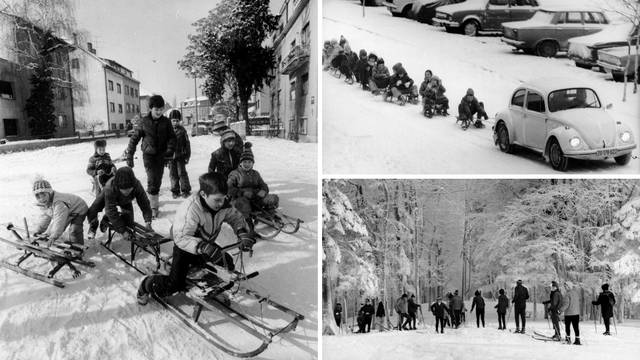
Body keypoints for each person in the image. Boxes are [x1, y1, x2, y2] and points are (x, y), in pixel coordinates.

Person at [136, 172, 255, 305]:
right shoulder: (191, 208)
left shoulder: (223, 204)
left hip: (205, 244)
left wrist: (243, 233)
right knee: (175, 284)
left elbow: (236, 218)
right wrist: (203, 247)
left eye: (223, 198)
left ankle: (210, 286)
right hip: (185, 245)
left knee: (227, 263)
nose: (221, 203)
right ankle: (146, 285)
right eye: (217, 200)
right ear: (204, 194)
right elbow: (181, 237)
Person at [126, 95, 176, 218]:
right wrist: (130, 156)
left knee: (157, 179)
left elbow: (172, 138)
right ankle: (153, 207)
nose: (159, 112)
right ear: (150, 109)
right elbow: (134, 139)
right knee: (152, 179)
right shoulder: (144, 121)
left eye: (161, 109)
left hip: (161, 155)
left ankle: (153, 197)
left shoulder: (166, 122)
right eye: (156, 109)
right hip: (148, 155)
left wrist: (169, 150)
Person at [87, 167, 152, 240]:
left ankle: (107, 218)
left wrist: (148, 221)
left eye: (129, 190)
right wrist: (123, 231)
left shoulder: (137, 185)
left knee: (128, 223)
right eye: (123, 190)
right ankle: (93, 225)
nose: (126, 192)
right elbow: (110, 210)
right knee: (93, 210)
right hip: (108, 196)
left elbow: (144, 203)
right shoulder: (110, 186)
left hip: (125, 201)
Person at [227, 143, 279, 234]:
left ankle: (269, 214)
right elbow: (229, 188)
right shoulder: (235, 173)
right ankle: (247, 225)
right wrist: (242, 193)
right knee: (243, 204)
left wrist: (264, 190)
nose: (247, 164)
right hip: (241, 199)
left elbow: (263, 185)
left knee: (273, 198)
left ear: (252, 163)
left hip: (255, 197)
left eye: (249, 162)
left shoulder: (255, 173)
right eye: (245, 162)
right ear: (240, 163)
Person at [32, 176, 88, 248]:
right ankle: (53, 234)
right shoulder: (46, 202)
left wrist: (54, 236)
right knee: (54, 228)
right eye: (38, 197)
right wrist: (39, 230)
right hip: (67, 209)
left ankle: (78, 248)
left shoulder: (59, 203)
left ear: (49, 192)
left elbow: (60, 220)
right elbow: (46, 217)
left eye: (44, 195)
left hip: (79, 208)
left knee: (74, 230)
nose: (42, 199)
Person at [168, 110, 191, 199]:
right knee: (173, 174)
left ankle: (185, 190)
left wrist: (187, 156)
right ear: (170, 120)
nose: (175, 122)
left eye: (177, 120)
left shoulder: (182, 131)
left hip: (180, 156)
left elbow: (187, 144)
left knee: (182, 173)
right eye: (173, 120)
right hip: (170, 157)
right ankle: (175, 191)